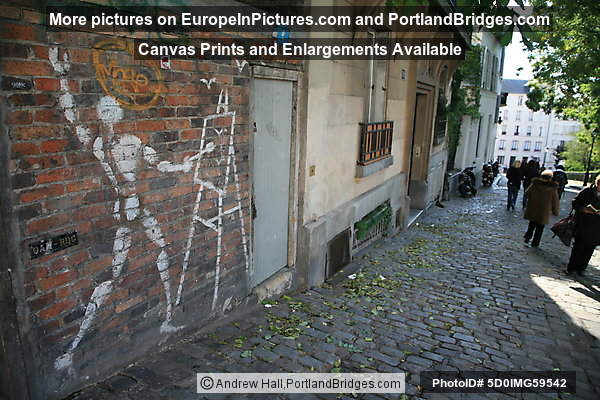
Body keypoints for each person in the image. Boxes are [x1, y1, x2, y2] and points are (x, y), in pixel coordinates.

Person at [566, 174, 600, 276]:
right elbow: (575, 203)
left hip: (597, 227)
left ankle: (582, 268)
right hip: (583, 224)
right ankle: (572, 268)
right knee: (578, 247)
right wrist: (583, 209)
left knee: (590, 249)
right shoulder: (587, 191)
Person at [523, 170, 559, 247]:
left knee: (531, 224)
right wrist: (555, 211)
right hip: (544, 210)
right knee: (540, 227)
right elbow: (555, 201)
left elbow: (526, 193)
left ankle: (528, 236)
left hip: (533, 208)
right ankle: (535, 242)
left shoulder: (535, 184)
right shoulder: (552, 188)